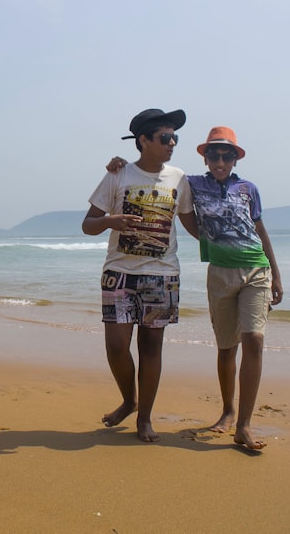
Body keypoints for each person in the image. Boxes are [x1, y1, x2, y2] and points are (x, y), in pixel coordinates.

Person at [106, 125, 282, 451]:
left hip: (256, 269)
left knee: (254, 340)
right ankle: (228, 411)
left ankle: (243, 425)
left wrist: (276, 273)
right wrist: (121, 162)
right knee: (227, 348)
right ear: (205, 158)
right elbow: (154, 177)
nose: (219, 160)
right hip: (220, 274)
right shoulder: (192, 184)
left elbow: (260, 228)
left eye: (226, 155)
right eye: (213, 154)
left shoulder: (248, 188)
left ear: (234, 158)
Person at [83, 108, 198, 443]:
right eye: (165, 138)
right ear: (144, 140)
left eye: (175, 137)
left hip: (162, 276)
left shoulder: (179, 178)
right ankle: (129, 400)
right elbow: (88, 225)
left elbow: (192, 225)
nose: (172, 143)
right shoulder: (118, 175)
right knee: (117, 347)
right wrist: (109, 221)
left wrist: (232, 246)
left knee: (151, 349)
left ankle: (144, 418)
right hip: (119, 274)